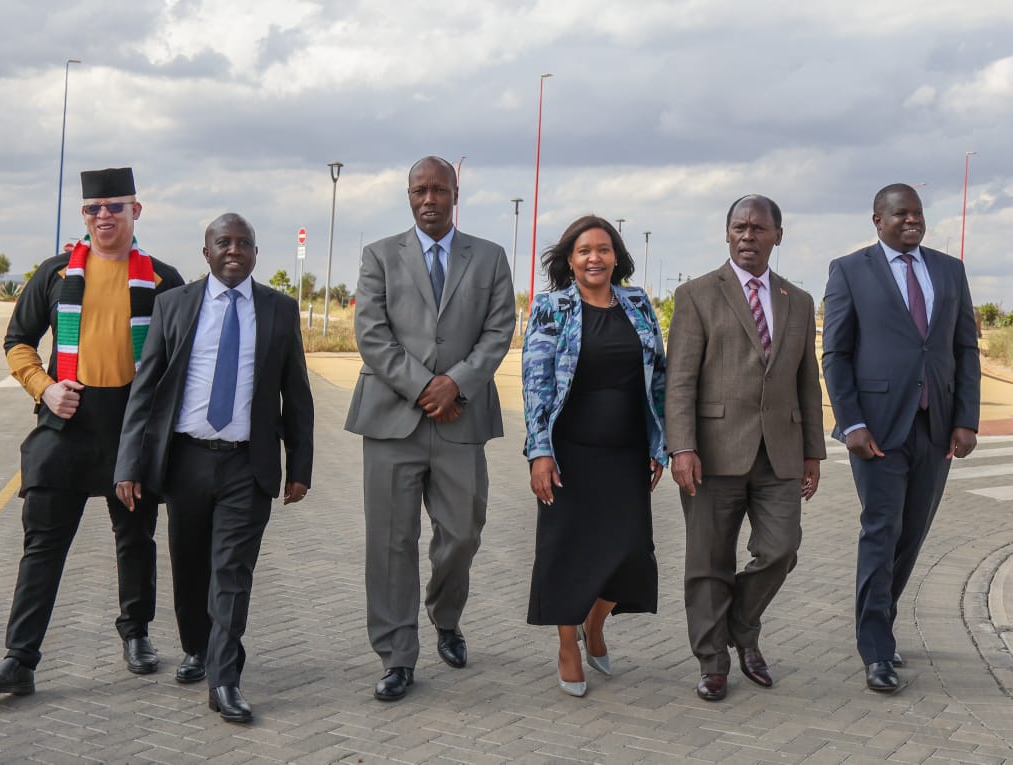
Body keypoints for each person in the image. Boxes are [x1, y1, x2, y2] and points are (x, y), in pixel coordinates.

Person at [0, 167, 184, 696]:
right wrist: (44, 387)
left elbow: (183, 361)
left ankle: (136, 633)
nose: (104, 216)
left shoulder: (163, 280)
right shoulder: (52, 274)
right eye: (94, 208)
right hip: (64, 424)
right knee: (42, 542)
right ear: (84, 215)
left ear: (137, 210)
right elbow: (18, 340)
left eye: (115, 206)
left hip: (129, 430)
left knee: (135, 538)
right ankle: (20, 659)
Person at [113, 213, 314, 722]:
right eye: (223, 242)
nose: (234, 250)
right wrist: (128, 463)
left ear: (254, 253)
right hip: (185, 461)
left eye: (244, 243)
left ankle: (225, 679)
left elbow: (298, 394)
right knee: (190, 565)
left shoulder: (278, 310)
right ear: (205, 252)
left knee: (231, 573)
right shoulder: (174, 306)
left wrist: (301, 466)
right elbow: (146, 390)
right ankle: (197, 648)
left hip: (249, 465)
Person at [345, 156, 515, 701]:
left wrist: (455, 384)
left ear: (456, 193)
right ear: (409, 195)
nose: (429, 199)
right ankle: (397, 654)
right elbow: (371, 334)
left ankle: (445, 614)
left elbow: (498, 330)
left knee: (462, 532)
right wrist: (424, 386)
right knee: (391, 543)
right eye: (419, 190)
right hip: (394, 419)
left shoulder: (489, 257)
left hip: (461, 419)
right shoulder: (379, 256)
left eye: (439, 190)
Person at [665, 195, 826, 702]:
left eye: (759, 228)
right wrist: (681, 447)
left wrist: (813, 453)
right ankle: (713, 662)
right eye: (739, 227)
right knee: (708, 560)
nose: (748, 236)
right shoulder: (695, 295)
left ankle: (739, 622)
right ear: (726, 233)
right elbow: (680, 381)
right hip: (712, 452)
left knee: (781, 550)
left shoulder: (797, 300)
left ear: (778, 235)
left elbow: (807, 380)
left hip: (779, 452)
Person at [822, 184, 980, 693]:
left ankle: (880, 627)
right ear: (877, 219)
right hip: (877, 431)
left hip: (935, 429)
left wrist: (966, 419)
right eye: (900, 214)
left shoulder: (949, 270)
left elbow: (965, 349)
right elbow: (837, 355)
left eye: (918, 213)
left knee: (911, 534)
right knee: (881, 531)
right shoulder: (849, 271)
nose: (912, 221)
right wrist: (851, 424)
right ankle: (876, 649)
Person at [522, 215, 667, 698]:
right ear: (570, 259)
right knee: (568, 555)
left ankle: (595, 624)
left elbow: (658, 377)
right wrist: (539, 452)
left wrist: (657, 442)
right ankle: (568, 647)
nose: (594, 258)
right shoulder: (551, 308)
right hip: (569, 455)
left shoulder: (639, 303)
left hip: (625, 453)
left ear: (616, 258)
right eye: (584, 250)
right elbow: (536, 385)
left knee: (631, 556)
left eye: (603, 249)